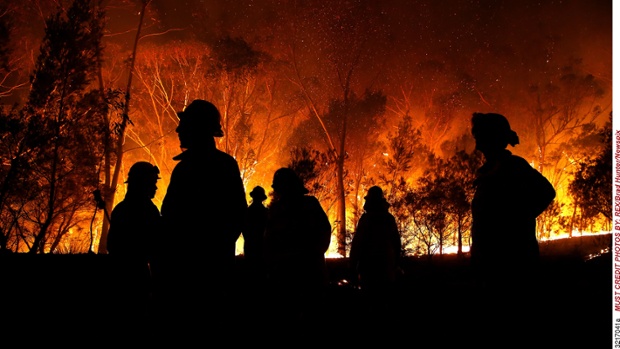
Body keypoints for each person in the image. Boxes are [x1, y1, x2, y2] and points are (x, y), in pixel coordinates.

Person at [158, 99, 247, 335]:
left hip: (200, 273)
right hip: (201, 270)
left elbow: (234, 217)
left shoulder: (199, 169)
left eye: (184, 125)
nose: (178, 130)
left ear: (198, 128)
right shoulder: (219, 166)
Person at [469, 112, 556, 342]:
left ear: (492, 139)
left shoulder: (514, 167)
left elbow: (547, 192)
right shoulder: (489, 172)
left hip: (512, 263)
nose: (477, 144)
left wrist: (518, 219)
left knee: (513, 324)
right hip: (490, 263)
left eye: (480, 137)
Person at [263, 167, 331, 335]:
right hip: (303, 273)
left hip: (296, 274)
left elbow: (269, 243)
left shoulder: (280, 210)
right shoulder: (308, 205)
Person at [106, 161, 161, 335]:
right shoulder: (147, 211)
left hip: (119, 276)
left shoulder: (121, 209)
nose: (155, 187)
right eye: (152, 183)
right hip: (136, 276)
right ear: (142, 184)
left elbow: (111, 245)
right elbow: (155, 248)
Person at [349, 185, 401, 318]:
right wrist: (396, 264)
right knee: (385, 303)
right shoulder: (389, 219)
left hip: (369, 268)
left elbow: (357, 245)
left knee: (371, 304)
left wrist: (352, 267)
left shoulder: (366, 220)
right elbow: (396, 243)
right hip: (386, 268)